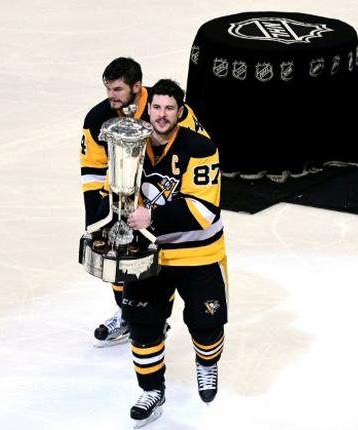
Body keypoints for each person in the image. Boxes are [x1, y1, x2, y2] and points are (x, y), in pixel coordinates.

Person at [80, 57, 209, 348]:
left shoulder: (169, 110)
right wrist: (95, 216)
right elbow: (92, 166)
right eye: (108, 89)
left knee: (160, 263)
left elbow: (199, 151)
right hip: (120, 196)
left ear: (137, 87)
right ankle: (127, 314)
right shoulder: (97, 118)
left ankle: (156, 318)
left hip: (162, 199)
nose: (110, 96)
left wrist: (173, 208)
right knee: (115, 252)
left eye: (117, 90)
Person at [123, 79, 228, 427]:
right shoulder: (132, 143)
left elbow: (202, 212)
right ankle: (152, 390)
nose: (162, 115)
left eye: (170, 108)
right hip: (151, 253)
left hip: (198, 253)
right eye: (156, 107)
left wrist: (151, 216)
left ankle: (207, 364)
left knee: (207, 324)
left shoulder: (200, 148)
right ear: (148, 108)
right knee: (142, 324)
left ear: (180, 112)